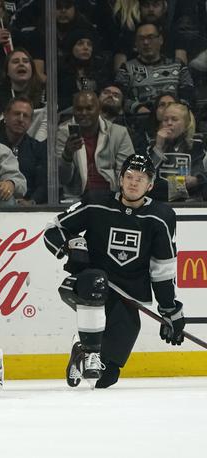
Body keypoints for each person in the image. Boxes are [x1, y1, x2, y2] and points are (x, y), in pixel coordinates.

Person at [43, 153, 184, 389]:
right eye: (128, 176)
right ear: (120, 179)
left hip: (128, 295)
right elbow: (52, 230)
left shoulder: (161, 217)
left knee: (105, 379)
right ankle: (88, 351)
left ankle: (81, 352)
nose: (133, 182)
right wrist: (70, 245)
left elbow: (162, 269)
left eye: (140, 178)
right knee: (96, 282)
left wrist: (169, 309)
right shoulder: (96, 202)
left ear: (150, 185)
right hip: (88, 284)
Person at [57, 90, 135, 200]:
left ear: (98, 110)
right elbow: (62, 180)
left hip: (111, 198)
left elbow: (128, 175)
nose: (84, 113)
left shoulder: (119, 133)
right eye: (79, 109)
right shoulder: (63, 133)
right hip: (76, 199)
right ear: (73, 111)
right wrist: (67, 155)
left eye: (89, 108)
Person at [114, 22, 194, 114]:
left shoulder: (178, 65)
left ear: (160, 40)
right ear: (135, 43)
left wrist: (175, 110)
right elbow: (118, 96)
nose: (146, 42)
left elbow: (188, 93)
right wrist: (137, 108)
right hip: (140, 119)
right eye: (141, 39)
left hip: (173, 118)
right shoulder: (126, 68)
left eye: (150, 37)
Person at [0, 96, 48, 205]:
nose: (20, 119)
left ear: (30, 122)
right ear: (5, 115)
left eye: (25, 116)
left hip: (29, 209)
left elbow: (44, 185)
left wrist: (32, 202)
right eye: (16, 114)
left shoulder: (38, 149)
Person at [147, 102, 207, 202]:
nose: (169, 123)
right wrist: (158, 147)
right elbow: (145, 179)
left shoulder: (198, 147)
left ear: (186, 124)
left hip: (192, 206)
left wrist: (197, 180)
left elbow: (202, 177)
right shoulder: (151, 146)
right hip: (158, 204)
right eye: (165, 120)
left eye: (174, 119)